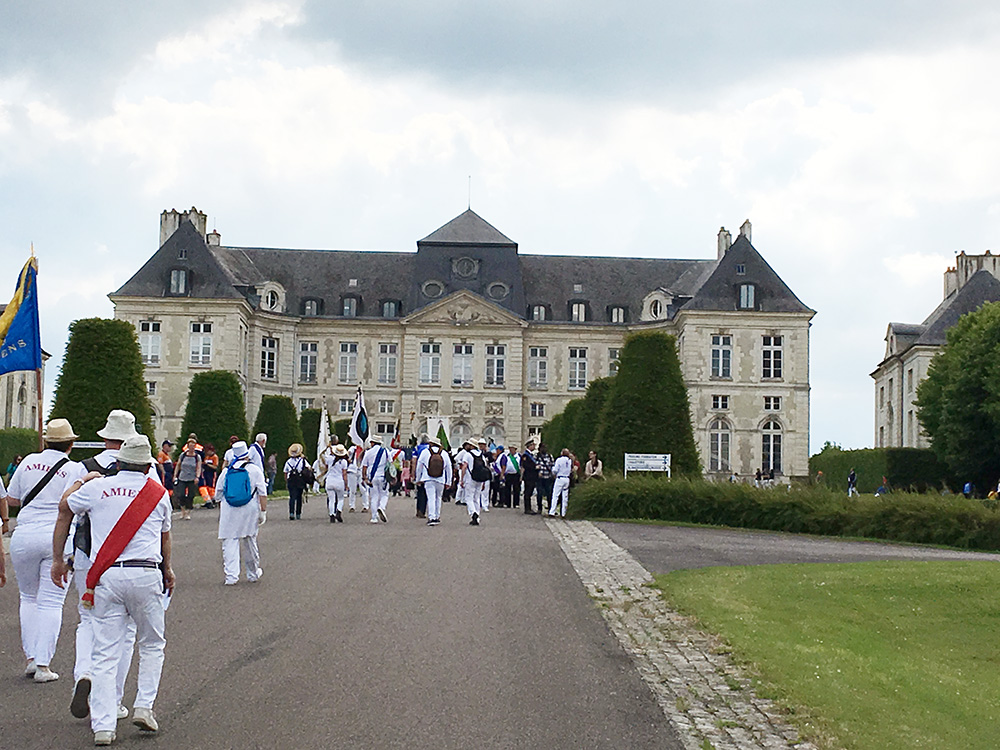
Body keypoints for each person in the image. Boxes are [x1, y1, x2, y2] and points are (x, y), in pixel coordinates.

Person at [51, 433, 174, 745]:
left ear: (119, 463)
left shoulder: (97, 488)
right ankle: (144, 706)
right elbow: (165, 537)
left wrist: (82, 481)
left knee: (105, 652)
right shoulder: (158, 493)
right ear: (147, 465)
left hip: (106, 575)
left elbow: (65, 506)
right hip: (145, 572)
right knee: (151, 644)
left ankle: (104, 726)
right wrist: (168, 570)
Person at [70, 410, 158, 723]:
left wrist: (62, 554)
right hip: (134, 558)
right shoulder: (149, 470)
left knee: (88, 620)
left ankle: (85, 673)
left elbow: (67, 509)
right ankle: (115, 701)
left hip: (89, 555)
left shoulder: (85, 466)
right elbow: (158, 515)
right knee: (126, 632)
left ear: (106, 436)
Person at [6, 418, 85, 683]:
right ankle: (43, 664)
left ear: (46, 441)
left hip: (25, 533)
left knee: (28, 597)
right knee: (52, 601)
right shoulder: (74, 469)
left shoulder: (28, 461)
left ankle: (30, 658)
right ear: (70, 444)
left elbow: (13, 498)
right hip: (58, 535)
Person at [216, 441, 267, 585]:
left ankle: (231, 576)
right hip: (249, 508)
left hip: (229, 509)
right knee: (250, 541)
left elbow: (218, 493)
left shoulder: (226, 471)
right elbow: (262, 493)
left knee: (229, 541)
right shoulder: (255, 470)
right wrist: (263, 511)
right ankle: (253, 573)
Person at [415, 436, 452, 526]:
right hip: (441, 478)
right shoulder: (444, 453)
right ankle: (437, 516)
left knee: (431, 497)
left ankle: (431, 517)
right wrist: (448, 481)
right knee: (438, 498)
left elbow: (419, 466)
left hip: (428, 478)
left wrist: (418, 479)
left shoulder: (425, 452)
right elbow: (449, 468)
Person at [361, 436, 390, 524]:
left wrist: (364, 477)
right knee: (384, 494)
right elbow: (390, 463)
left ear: (372, 443)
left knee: (374, 497)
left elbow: (364, 467)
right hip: (383, 476)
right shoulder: (385, 451)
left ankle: (374, 517)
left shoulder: (368, 452)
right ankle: (381, 507)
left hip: (372, 477)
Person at [463, 438, 491, 526]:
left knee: (469, 498)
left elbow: (464, 467)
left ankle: (473, 513)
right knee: (476, 498)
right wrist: (483, 482)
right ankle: (477, 516)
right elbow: (484, 468)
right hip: (479, 479)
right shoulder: (481, 455)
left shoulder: (468, 455)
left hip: (470, 478)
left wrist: (461, 479)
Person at [173, 437, 201, 520]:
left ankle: (188, 512)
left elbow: (198, 467)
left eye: (193, 446)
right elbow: (178, 465)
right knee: (181, 494)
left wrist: (197, 477)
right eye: (190, 446)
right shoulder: (183, 455)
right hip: (182, 477)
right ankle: (183, 511)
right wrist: (175, 475)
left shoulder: (197, 457)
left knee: (191, 495)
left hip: (192, 478)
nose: (191, 447)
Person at [324, 445, 349, 523]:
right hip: (339, 481)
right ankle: (338, 510)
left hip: (329, 480)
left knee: (331, 500)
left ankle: (332, 514)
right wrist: (346, 484)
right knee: (340, 499)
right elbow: (344, 474)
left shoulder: (329, 459)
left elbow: (325, 467)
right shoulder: (344, 462)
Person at [284, 444, 309, 520]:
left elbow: (285, 472)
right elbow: (308, 468)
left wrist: (286, 481)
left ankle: (291, 513)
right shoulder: (302, 461)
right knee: (299, 497)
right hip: (300, 480)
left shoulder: (288, 461)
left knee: (292, 497)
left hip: (291, 480)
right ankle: (298, 513)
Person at [549, 449, 573, 518]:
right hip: (567, 478)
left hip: (560, 478)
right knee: (565, 497)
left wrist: (553, 471)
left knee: (555, 495)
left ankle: (552, 512)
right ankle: (563, 513)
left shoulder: (559, 460)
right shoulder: (569, 461)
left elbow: (555, 470)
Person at [520, 440, 539, 515]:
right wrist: (535, 467)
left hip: (532, 476)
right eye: (533, 445)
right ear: (529, 446)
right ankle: (527, 508)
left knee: (530, 492)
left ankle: (529, 508)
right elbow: (525, 465)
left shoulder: (531, 455)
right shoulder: (525, 455)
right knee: (527, 492)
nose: (534, 447)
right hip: (528, 476)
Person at [535, 443, 555, 515]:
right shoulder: (536, 456)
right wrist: (538, 471)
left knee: (549, 493)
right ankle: (539, 508)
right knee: (539, 493)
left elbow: (553, 465)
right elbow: (534, 465)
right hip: (540, 478)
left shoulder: (549, 456)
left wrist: (552, 473)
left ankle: (550, 508)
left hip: (548, 477)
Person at [413, 434, 429, 518]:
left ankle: (418, 510)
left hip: (420, 471)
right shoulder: (430, 448)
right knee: (426, 493)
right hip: (429, 473)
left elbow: (414, 461)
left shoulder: (417, 448)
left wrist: (413, 473)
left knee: (419, 492)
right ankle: (423, 510)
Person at [453, 439, 473, 506]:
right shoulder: (463, 452)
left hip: (466, 470)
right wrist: (460, 463)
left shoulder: (468, 453)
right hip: (462, 469)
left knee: (464, 484)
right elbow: (456, 458)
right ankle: (458, 499)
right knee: (461, 484)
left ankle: (463, 499)